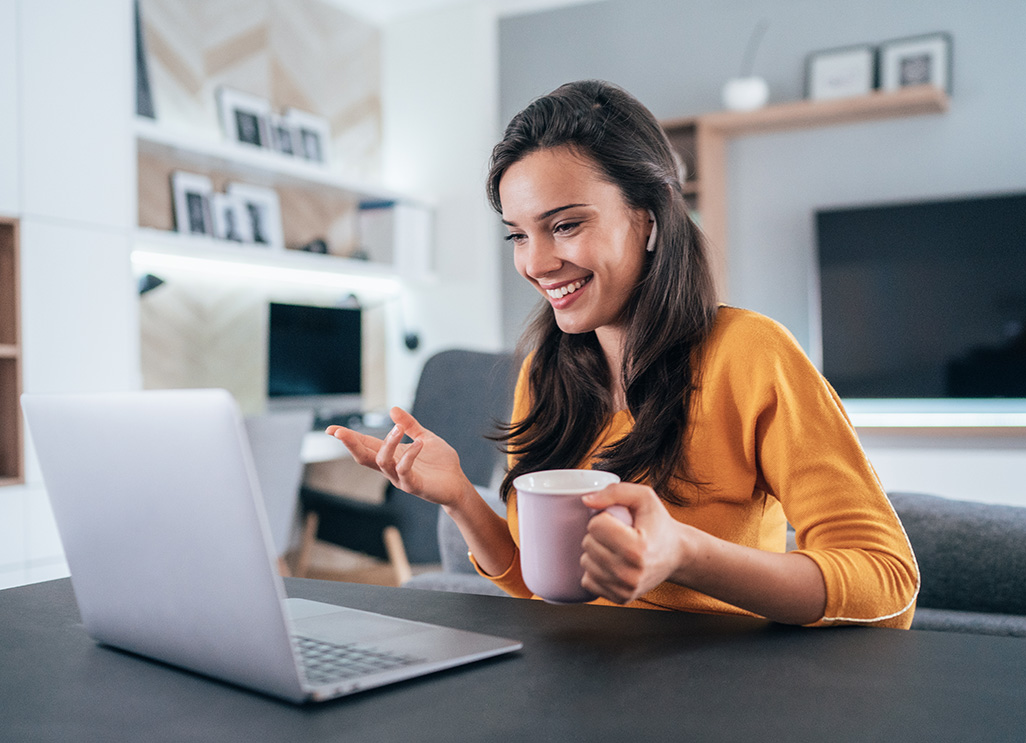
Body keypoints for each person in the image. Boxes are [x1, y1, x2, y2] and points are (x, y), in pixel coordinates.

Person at [328, 80, 918, 628]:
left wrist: (684, 554)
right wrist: (458, 495)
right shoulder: (546, 372)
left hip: (721, 689)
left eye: (564, 225)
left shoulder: (749, 355)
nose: (534, 263)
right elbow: (542, 588)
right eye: (517, 234)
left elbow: (888, 585)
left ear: (651, 216)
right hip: (581, 680)